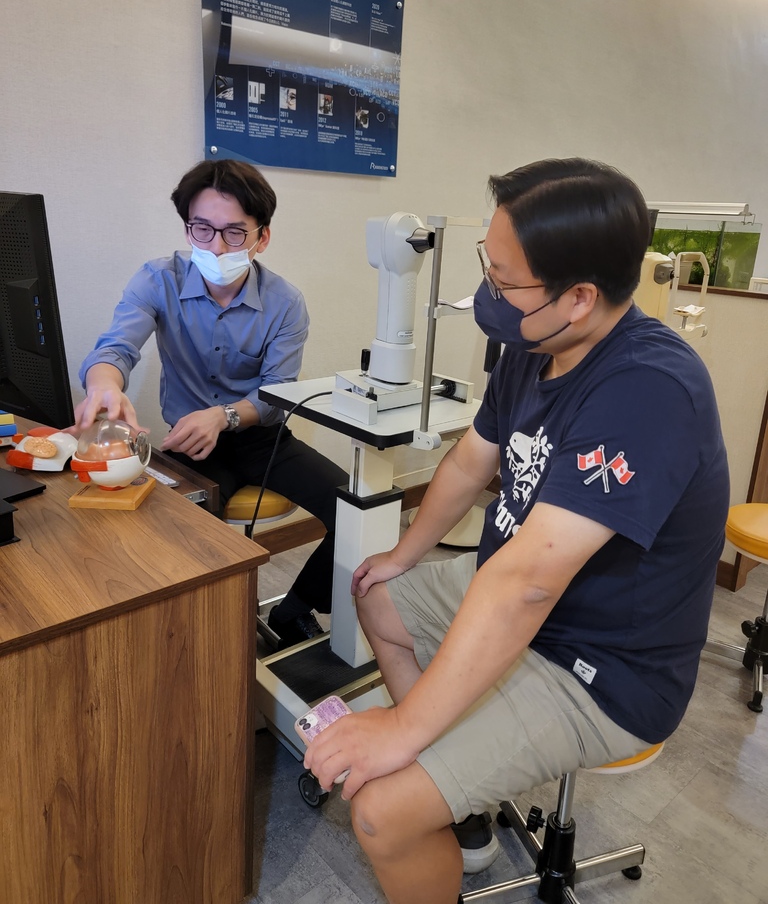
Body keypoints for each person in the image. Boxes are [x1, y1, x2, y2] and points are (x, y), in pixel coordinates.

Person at [303, 158, 730, 904]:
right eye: (488, 269)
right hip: (525, 602)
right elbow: (471, 462)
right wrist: (403, 554)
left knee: (379, 812)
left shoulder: (649, 389)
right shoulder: (536, 348)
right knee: (374, 593)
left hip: (602, 666)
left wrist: (402, 730)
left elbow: (528, 582)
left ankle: (427, 781)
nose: (488, 296)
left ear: (579, 297)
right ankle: (456, 798)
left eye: (504, 283)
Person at [75, 159, 348, 649]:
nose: (216, 247)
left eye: (234, 233)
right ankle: (211, 633)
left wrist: (223, 416)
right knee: (177, 532)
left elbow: (276, 393)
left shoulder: (285, 303)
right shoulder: (157, 279)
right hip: (190, 443)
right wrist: (105, 385)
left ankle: (293, 610)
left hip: (262, 438)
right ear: (188, 228)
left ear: (262, 237)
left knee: (355, 508)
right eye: (202, 229)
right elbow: (115, 349)